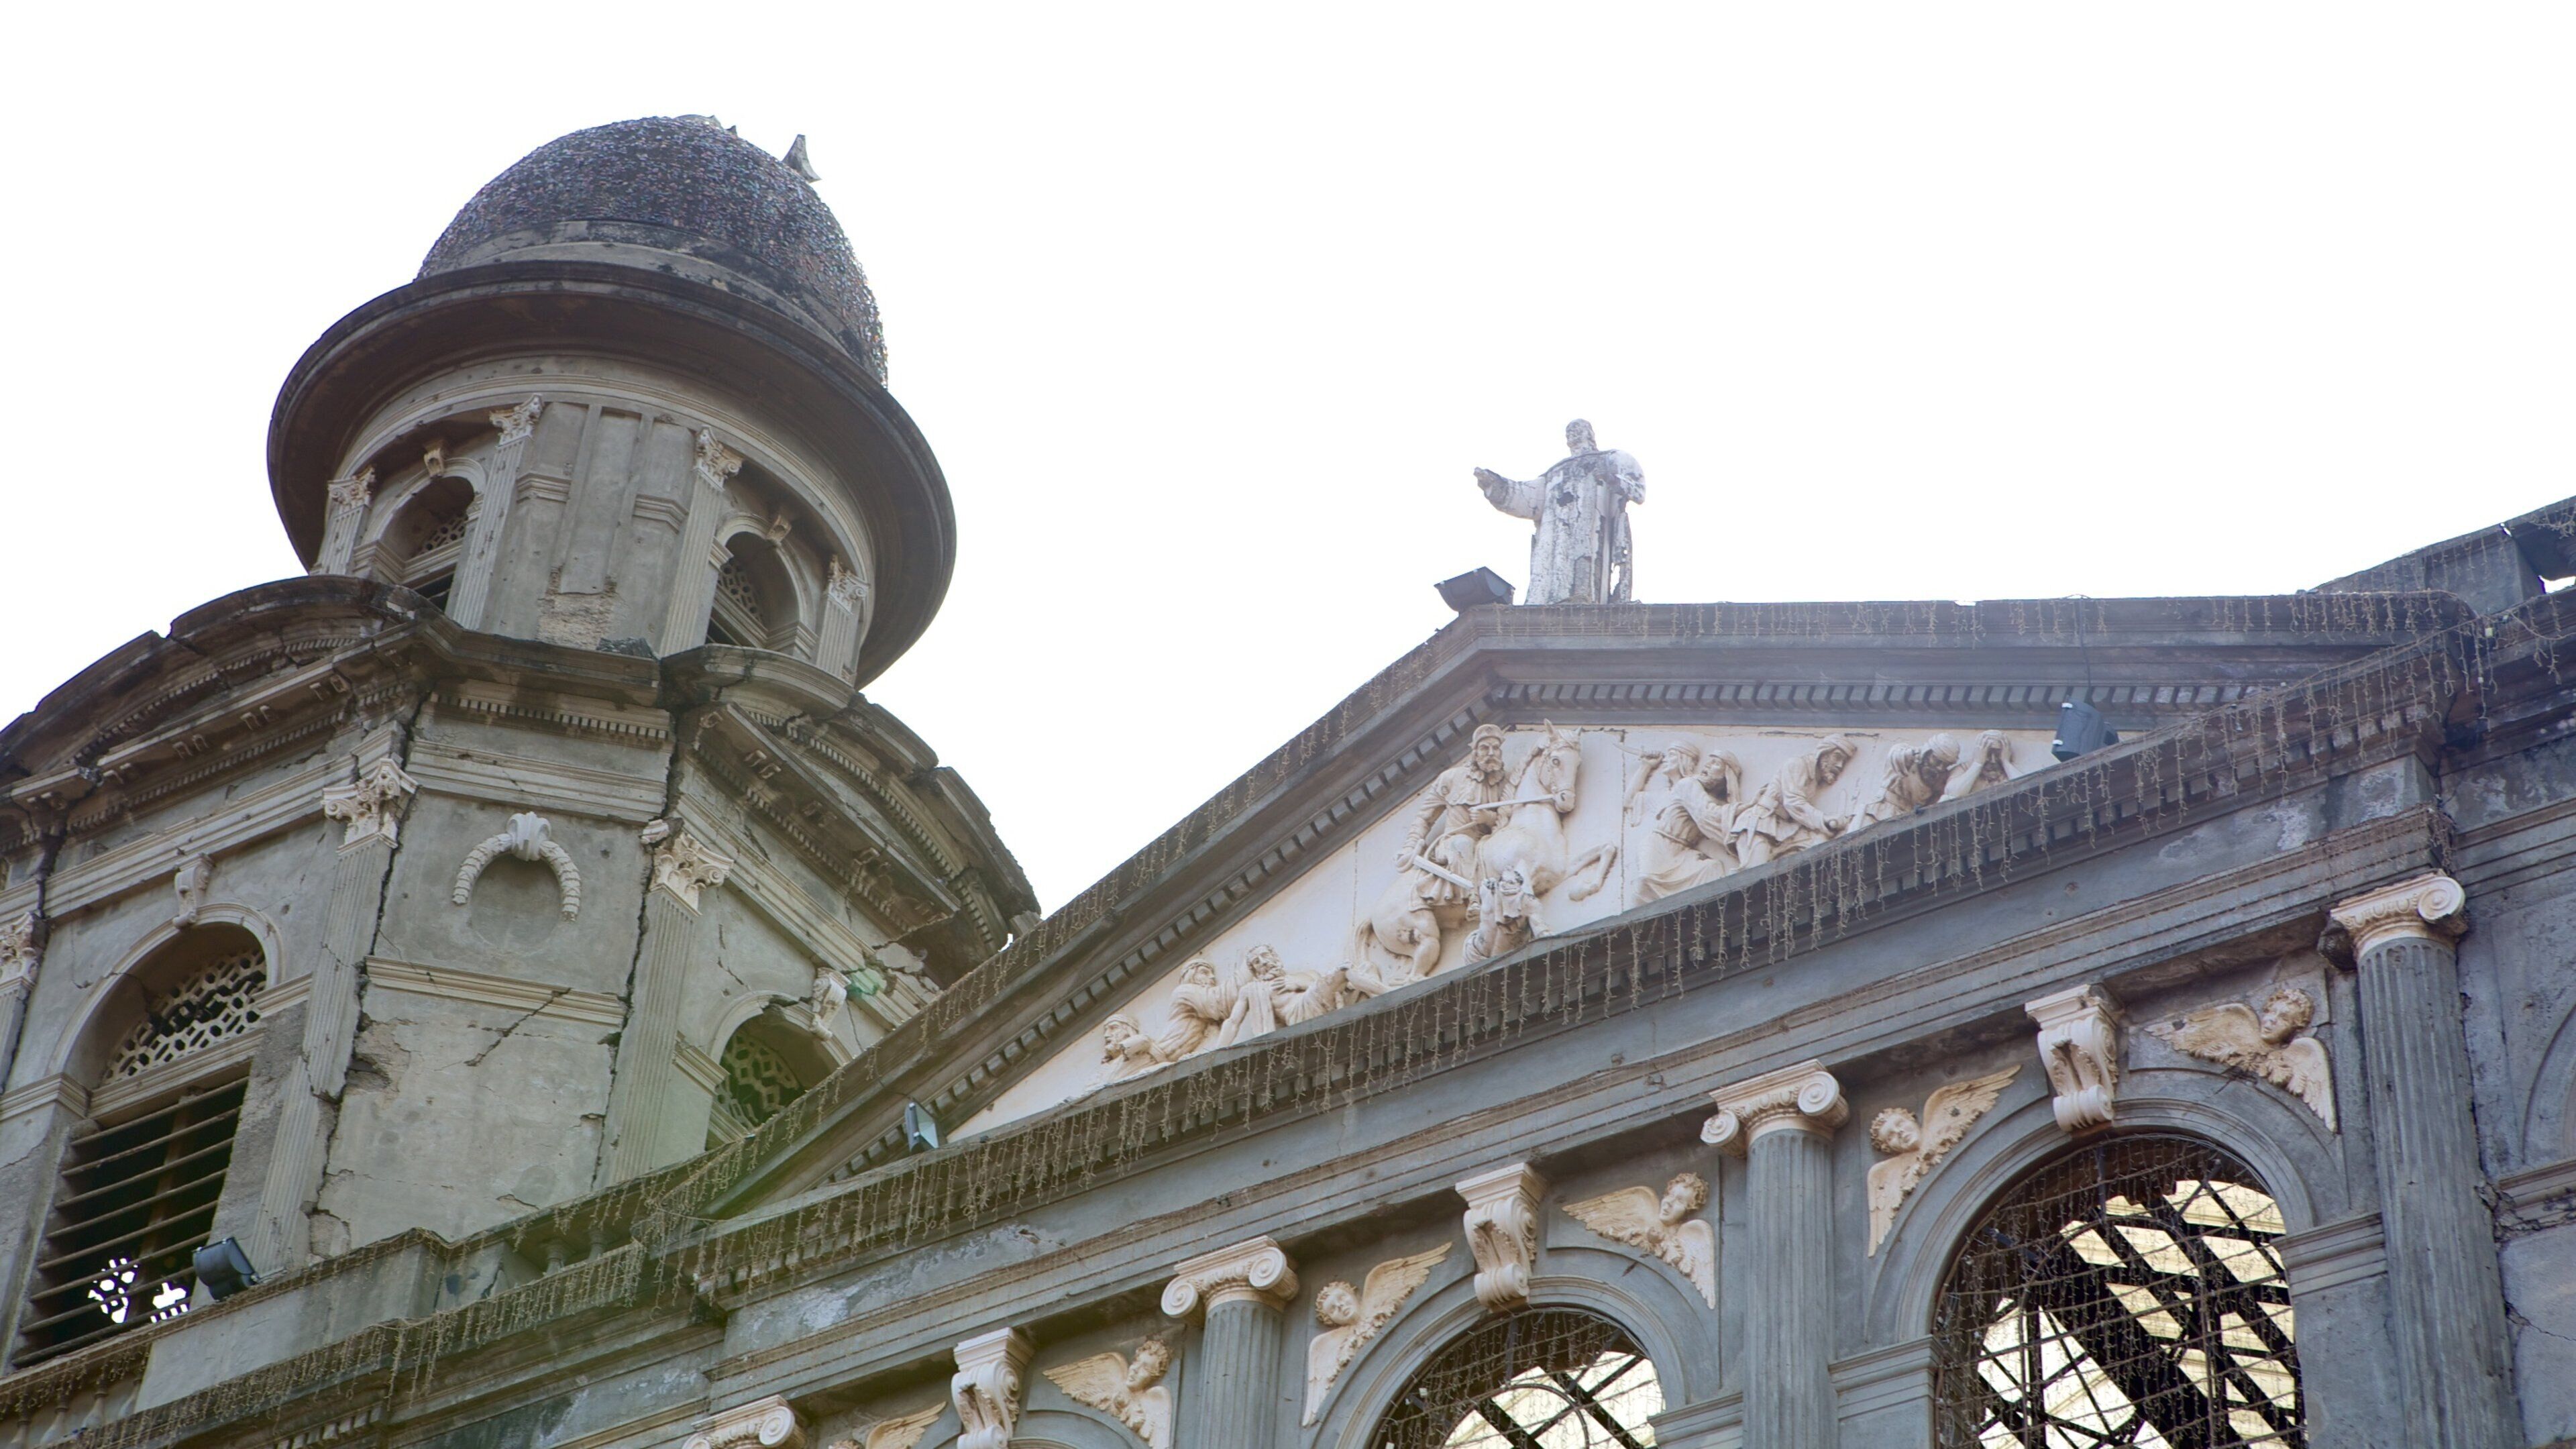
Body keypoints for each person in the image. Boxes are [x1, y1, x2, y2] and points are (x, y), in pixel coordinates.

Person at [1472, 420, 1647, 604]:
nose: (1572, 434)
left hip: (1590, 527)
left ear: (1590, 434)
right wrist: (1497, 485)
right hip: (1555, 533)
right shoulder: (1555, 472)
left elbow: (1637, 490)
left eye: (1577, 430)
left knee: (1585, 558)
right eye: (1569, 432)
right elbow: (1528, 498)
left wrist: (1610, 477)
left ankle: (1584, 599)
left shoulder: (1608, 459)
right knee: (1554, 566)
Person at [1397, 724, 1511, 908]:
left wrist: (1487, 819)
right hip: (1453, 842)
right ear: (1474, 752)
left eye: (1495, 748)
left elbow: (1510, 816)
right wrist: (1410, 846)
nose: (1491, 753)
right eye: (1484, 748)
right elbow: (1425, 818)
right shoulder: (1450, 778)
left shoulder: (1505, 782)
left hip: (1487, 842)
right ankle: (1475, 898)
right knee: (1463, 844)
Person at [1631, 749, 1744, 905]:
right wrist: (1744, 808)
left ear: (1727, 775)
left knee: (1712, 868)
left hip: (1683, 852)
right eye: (1709, 762)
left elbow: (1720, 826)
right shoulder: (1688, 785)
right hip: (1660, 844)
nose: (1708, 766)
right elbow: (1707, 814)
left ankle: (1703, 919)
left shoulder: (1721, 806)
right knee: (1645, 881)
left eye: (1716, 763)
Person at [1733, 735, 1856, 865]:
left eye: (1843, 761)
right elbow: (1793, 802)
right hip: (1762, 823)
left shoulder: (1814, 779)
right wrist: (1824, 819)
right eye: (1837, 757)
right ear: (1824, 752)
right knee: (1754, 872)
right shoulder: (1797, 764)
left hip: (1786, 828)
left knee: (1820, 842)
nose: (1839, 765)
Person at [1851, 733, 1962, 829]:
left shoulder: (1938, 778)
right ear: (1927, 753)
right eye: (1937, 761)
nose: (1940, 768)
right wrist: (1916, 753)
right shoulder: (1906, 756)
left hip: (1907, 820)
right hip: (1879, 812)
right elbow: (1896, 757)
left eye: (1945, 765)